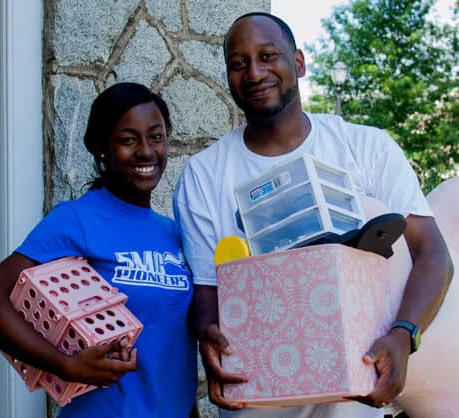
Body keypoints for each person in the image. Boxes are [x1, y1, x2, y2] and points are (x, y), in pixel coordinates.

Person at [173, 12, 453, 418]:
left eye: (268, 56)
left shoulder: (367, 148)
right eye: (238, 63)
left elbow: (434, 255)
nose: (254, 72)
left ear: (299, 62)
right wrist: (207, 335)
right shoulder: (203, 174)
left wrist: (403, 336)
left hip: (356, 395)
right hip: (258, 394)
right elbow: (206, 289)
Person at [0, 82, 198, 418]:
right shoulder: (77, 219)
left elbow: (174, 346)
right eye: (128, 140)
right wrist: (66, 365)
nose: (147, 151)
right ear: (99, 147)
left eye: (157, 136)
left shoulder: (174, 233)